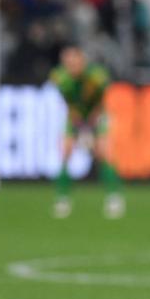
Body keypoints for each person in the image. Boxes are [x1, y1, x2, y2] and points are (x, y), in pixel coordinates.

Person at [49, 46, 124, 218]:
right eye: (67, 62)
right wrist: (79, 124)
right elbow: (68, 103)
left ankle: (114, 197)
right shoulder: (60, 78)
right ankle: (62, 198)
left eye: (73, 62)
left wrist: (90, 126)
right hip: (75, 116)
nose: (70, 66)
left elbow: (100, 103)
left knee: (104, 153)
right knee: (65, 152)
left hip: (96, 116)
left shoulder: (96, 76)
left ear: (82, 61)